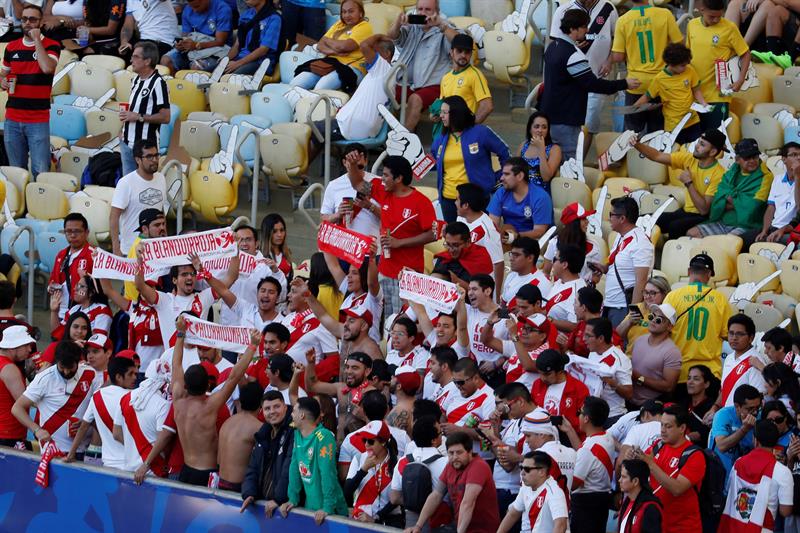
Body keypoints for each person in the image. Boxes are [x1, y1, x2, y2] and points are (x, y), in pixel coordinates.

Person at [539, 8, 638, 160]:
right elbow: (594, 85)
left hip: (549, 114)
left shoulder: (553, 47)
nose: (587, 30)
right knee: (569, 165)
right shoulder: (573, 55)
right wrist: (624, 83)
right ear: (573, 29)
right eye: (584, 27)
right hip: (565, 119)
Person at [171, 315, 259, 486]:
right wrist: (253, 346)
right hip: (206, 474)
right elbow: (234, 377)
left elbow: (176, 365)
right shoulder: (209, 406)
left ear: (185, 385)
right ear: (208, 385)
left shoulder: (178, 399)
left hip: (186, 470)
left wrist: (180, 334)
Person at [549, 0, 618, 154]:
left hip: (597, 75)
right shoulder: (563, 10)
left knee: (590, 124)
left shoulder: (608, 8)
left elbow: (618, 39)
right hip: (570, 82)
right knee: (570, 124)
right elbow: (555, 42)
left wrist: (609, 60)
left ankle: (579, 161)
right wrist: (571, 47)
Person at [631, 128, 728, 238]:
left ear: (713, 152)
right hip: (685, 211)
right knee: (644, 220)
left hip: (703, 217)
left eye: (702, 144)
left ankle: (670, 254)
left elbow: (704, 210)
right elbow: (657, 156)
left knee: (675, 227)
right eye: (698, 141)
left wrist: (689, 183)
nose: (696, 146)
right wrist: (637, 145)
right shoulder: (690, 158)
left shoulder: (719, 174)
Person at [1, 4, 59, 178]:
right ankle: (20, 206)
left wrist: (37, 41)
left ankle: (40, 204)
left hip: (37, 119)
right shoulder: (11, 47)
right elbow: (3, 73)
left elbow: (47, 68)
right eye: (24, 19)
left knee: (40, 171)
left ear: (40, 22)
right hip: (12, 118)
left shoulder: (51, 45)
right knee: (16, 172)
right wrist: (2, 81)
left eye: (32, 19)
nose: (27, 23)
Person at [374, 155, 435, 316]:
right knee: (387, 320)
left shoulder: (421, 202)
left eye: (386, 175)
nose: (382, 178)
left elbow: (434, 234)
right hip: (384, 271)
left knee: (404, 321)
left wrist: (399, 243)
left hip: (408, 275)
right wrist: (352, 164)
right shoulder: (384, 193)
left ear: (399, 178)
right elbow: (358, 184)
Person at [431, 95, 510, 221]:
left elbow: (505, 152)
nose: (441, 116)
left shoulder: (481, 132)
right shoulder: (440, 140)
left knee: (477, 238)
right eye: (441, 112)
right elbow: (434, 163)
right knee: (453, 239)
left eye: (445, 112)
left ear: (456, 113)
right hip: (449, 201)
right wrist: (414, 159)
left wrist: (499, 177)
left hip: (475, 199)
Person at [405, 431, 500, 533]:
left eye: (459, 452)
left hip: (482, 529)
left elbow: (468, 503)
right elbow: (436, 495)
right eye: (451, 453)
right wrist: (418, 526)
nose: (454, 457)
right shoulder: (451, 466)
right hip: (462, 526)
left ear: (470, 452)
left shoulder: (479, 466)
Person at [12, 341, 98, 453]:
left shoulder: (90, 374)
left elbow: (97, 408)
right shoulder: (44, 378)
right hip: (54, 450)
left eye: (71, 367)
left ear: (78, 362)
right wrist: (36, 430)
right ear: (56, 361)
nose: (66, 372)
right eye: (62, 367)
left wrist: (87, 422)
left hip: (84, 449)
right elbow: (17, 408)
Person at [386, 0, 460, 131]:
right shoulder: (412, 25)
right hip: (406, 82)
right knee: (383, 93)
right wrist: (398, 22)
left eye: (428, 9)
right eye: (420, 9)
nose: (423, 13)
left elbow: (460, 42)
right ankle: (380, 138)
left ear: (436, 12)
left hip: (433, 84)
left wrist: (441, 26)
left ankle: (405, 143)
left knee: (415, 99)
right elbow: (392, 36)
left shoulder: (444, 26)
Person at [610, 0, 682, 133]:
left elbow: (618, 57)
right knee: (658, 133)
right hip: (661, 83)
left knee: (632, 134)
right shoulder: (665, 14)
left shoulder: (623, 20)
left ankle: (632, 153)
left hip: (636, 83)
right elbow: (679, 46)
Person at [313, 34, 395, 148]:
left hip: (352, 126)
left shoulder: (383, 67)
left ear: (387, 54)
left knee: (307, 131)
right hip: (364, 129)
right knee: (319, 132)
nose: (369, 55)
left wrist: (380, 35)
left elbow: (364, 45)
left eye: (375, 51)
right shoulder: (389, 75)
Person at [635, 406, 706, 533]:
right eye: (661, 425)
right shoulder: (659, 445)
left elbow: (677, 489)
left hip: (682, 527)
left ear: (682, 428)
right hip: (657, 524)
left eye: (668, 426)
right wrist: (634, 457)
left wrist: (650, 463)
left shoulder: (695, 455)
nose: (662, 430)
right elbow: (643, 466)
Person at [664, 253, 731, 387]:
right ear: (710, 274)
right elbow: (727, 334)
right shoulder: (721, 300)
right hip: (709, 374)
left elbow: (662, 331)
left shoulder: (672, 297)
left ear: (689, 271)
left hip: (678, 371)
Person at [279, 397, 348, 525]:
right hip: (310, 508)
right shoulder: (297, 434)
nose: (291, 414)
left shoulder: (324, 437)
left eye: (294, 411)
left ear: (302, 415)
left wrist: (327, 507)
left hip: (331, 510)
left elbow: (328, 473)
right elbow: (294, 468)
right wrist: (292, 499)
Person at [687, 138, 774, 238]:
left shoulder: (766, 176)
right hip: (724, 221)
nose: (752, 161)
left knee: (726, 243)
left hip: (748, 225)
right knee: (691, 234)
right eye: (747, 158)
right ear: (737, 159)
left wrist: (731, 201)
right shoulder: (732, 172)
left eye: (755, 157)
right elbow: (718, 197)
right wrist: (738, 201)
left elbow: (753, 206)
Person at [589, 196, 654, 327]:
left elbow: (641, 281)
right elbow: (617, 264)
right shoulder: (621, 236)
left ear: (622, 218)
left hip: (623, 307)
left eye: (611, 214)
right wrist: (604, 268)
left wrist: (632, 315)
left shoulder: (640, 243)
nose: (608, 219)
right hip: (610, 304)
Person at [686, 0, 751, 130]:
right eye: (712, 16)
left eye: (719, 16)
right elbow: (687, 55)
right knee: (695, 143)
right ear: (701, 9)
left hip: (718, 95)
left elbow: (745, 54)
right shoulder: (692, 25)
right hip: (693, 95)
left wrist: (740, 79)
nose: (716, 20)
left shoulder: (729, 28)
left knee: (714, 140)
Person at [719, 420, 794, 531]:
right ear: (776, 441)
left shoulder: (738, 462)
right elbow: (785, 511)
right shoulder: (782, 471)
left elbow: (730, 491)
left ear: (755, 441)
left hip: (733, 527)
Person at [65, 357, 137, 466]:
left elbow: (83, 426)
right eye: (131, 374)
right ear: (118, 377)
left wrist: (71, 454)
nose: (135, 377)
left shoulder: (97, 396)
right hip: (133, 462)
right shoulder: (134, 396)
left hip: (108, 463)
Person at [632, 43, 707, 144]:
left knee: (695, 153)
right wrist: (634, 108)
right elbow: (647, 97)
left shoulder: (690, 70)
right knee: (676, 155)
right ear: (672, 64)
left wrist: (703, 103)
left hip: (693, 121)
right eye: (682, 65)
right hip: (673, 126)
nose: (685, 67)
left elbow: (696, 90)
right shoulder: (659, 79)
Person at [290, 0, 372, 92]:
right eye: (344, 12)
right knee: (295, 84)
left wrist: (328, 41)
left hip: (352, 68)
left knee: (320, 88)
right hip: (331, 63)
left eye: (351, 11)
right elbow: (320, 45)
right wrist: (335, 51)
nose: (346, 15)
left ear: (360, 12)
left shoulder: (364, 26)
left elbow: (345, 47)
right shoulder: (339, 24)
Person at [118, 42, 171, 178]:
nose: (131, 60)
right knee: (128, 186)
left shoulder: (159, 83)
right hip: (127, 143)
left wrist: (138, 117)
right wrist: (122, 131)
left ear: (147, 61)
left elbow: (165, 117)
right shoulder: (136, 80)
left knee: (145, 186)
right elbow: (133, 109)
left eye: (136, 57)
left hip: (146, 148)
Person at [390, 416, 449, 533]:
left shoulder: (403, 462)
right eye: (440, 433)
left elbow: (394, 498)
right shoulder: (445, 463)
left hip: (410, 523)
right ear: (433, 440)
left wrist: (414, 500)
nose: (442, 435)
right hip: (439, 521)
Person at [490, 383, 538, 526]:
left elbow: (509, 464)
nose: (507, 410)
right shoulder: (516, 421)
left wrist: (492, 438)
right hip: (511, 488)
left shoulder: (538, 419)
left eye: (508, 405)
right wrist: (495, 428)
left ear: (520, 401)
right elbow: (504, 455)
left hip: (516, 489)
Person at [240, 391, 294, 516]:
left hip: (285, 509)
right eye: (267, 408)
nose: (272, 411)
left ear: (285, 407)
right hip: (264, 505)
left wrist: (278, 499)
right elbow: (252, 468)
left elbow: (289, 468)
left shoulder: (294, 432)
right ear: (262, 412)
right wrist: (249, 493)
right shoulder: (262, 434)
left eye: (277, 406)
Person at [114, 358, 172, 475]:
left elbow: (116, 434)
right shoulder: (163, 405)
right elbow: (164, 441)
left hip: (129, 468)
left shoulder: (126, 398)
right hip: (152, 470)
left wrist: (134, 448)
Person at [111, 140, 168, 256]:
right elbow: (114, 217)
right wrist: (116, 248)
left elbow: (161, 211)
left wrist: (164, 239)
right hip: (131, 250)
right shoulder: (126, 183)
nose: (155, 160)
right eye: (149, 157)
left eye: (156, 155)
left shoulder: (161, 178)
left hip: (155, 250)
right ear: (138, 160)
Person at [304, 351, 374, 443]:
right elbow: (312, 386)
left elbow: (381, 427)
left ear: (367, 371)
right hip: (339, 447)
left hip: (360, 449)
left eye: (355, 368)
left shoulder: (373, 394)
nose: (349, 371)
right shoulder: (341, 388)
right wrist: (310, 364)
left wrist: (365, 418)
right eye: (347, 367)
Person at [570, 396, 616, 533]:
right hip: (601, 499)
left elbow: (574, 483)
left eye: (580, 412)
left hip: (586, 504)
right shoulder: (606, 437)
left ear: (586, 419)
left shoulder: (588, 448)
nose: (578, 415)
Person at [343, 420, 402, 526]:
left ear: (383, 442)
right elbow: (347, 491)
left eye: (370, 441)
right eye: (364, 440)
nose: (366, 445)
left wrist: (376, 518)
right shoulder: (359, 458)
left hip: (389, 522)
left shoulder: (398, 462)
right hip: (361, 520)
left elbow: (397, 498)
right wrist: (363, 470)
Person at [743, 141, 800, 248]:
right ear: (783, 159)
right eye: (794, 155)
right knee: (739, 241)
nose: (798, 158)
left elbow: (799, 210)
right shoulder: (778, 179)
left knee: (768, 245)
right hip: (773, 227)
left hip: (791, 229)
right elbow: (771, 208)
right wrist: (764, 230)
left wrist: (797, 177)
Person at [320, 145, 382, 239]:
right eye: (351, 163)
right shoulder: (334, 185)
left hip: (373, 247)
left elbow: (391, 217)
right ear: (344, 162)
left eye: (358, 164)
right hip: (345, 247)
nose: (354, 168)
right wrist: (338, 215)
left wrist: (370, 206)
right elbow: (324, 218)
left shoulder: (379, 183)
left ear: (365, 161)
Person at [498, 451, 569, 533]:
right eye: (521, 468)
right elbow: (513, 514)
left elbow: (561, 524)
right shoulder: (526, 487)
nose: (522, 473)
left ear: (541, 472)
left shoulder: (554, 492)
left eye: (527, 469)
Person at [488, 157, 554, 240]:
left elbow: (539, 232)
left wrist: (517, 236)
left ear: (520, 176)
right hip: (507, 238)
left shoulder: (540, 197)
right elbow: (492, 225)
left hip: (531, 242)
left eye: (507, 174)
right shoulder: (501, 192)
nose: (501, 178)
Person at [160, 0, 232, 74]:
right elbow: (186, 36)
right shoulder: (188, 10)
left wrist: (197, 45)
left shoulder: (222, 8)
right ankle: (175, 84)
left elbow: (220, 41)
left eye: (197, 6)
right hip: (193, 48)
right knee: (166, 60)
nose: (194, 10)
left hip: (217, 50)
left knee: (196, 67)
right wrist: (181, 44)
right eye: (191, 6)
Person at [630, 303, 681, 406]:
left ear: (669, 327)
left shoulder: (672, 352)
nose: (653, 320)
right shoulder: (639, 340)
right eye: (652, 316)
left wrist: (639, 378)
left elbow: (669, 386)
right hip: (629, 400)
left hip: (650, 407)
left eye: (659, 319)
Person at [455, 182, 505, 289]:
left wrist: (496, 293)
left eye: (457, 199)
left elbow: (498, 263)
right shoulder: (461, 218)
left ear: (466, 205)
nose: (454, 203)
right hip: (464, 269)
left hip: (482, 282)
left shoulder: (488, 230)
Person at [47, 213, 95, 321]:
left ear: (87, 232)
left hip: (83, 316)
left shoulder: (94, 255)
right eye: (68, 231)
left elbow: (100, 288)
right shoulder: (61, 254)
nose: (72, 235)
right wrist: (51, 287)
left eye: (77, 231)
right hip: (59, 314)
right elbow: (53, 280)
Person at [586, 317, 633, 423]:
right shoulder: (592, 352)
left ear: (601, 338)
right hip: (594, 414)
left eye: (588, 336)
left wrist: (610, 382)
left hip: (613, 417)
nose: (584, 339)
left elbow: (629, 393)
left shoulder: (620, 359)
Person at [217, 382, 263, 492]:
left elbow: (219, 460)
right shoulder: (258, 427)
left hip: (220, 482)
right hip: (239, 486)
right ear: (261, 402)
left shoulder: (227, 422)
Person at [438, 33, 493, 124]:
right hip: (449, 132)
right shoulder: (446, 77)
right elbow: (442, 106)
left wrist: (470, 127)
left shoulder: (475, 75)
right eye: (459, 51)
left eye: (467, 52)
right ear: (452, 52)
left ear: (471, 54)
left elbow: (487, 106)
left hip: (463, 134)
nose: (463, 55)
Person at [532, 350, 590, 434]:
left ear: (560, 371)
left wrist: (561, 421)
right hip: (541, 436)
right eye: (540, 373)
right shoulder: (538, 384)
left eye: (547, 374)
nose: (542, 378)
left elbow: (585, 422)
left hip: (568, 438)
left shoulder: (579, 389)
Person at [542, 202, 602, 283]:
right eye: (583, 219)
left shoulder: (594, 247)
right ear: (574, 223)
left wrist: (593, 282)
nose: (587, 221)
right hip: (558, 291)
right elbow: (546, 272)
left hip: (582, 292)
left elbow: (596, 277)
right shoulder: (554, 243)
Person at [710, 384, 761, 475]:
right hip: (721, 475)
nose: (755, 412)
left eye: (757, 407)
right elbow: (722, 446)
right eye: (750, 409)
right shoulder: (723, 415)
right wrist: (744, 429)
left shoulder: (760, 417)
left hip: (745, 477)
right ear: (737, 406)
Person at [718, 314, 768, 407]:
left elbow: (759, 397)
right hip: (727, 416)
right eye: (731, 333)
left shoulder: (755, 361)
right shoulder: (729, 358)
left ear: (751, 338)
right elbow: (725, 389)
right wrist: (715, 407)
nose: (734, 337)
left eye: (740, 334)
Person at [224, 0, 281, 76]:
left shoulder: (274, 18)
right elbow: (237, 45)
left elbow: (263, 50)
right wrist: (225, 60)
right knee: (213, 71)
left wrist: (238, 63)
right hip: (241, 58)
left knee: (230, 78)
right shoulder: (245, 15)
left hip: (261, 62)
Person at [0, 326, 35, 448]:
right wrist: (42, 378)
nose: (30, 349)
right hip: (9, 434)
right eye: (26, 345)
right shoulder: (9, 368)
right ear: (13, 347)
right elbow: (24, 401)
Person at [616, 275, 670, 353]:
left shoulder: (668, 312)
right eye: (645, 292)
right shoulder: (639, 307)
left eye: (652, 293)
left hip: (654, 360)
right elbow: (617, 335)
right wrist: (629, 322)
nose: (647, 296)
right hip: (630, 357)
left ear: (664, 294)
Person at [50, 274, 112, 339]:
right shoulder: (74, 309)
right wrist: (54, 311)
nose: (75, 289)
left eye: (81, 286)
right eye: (77, 285)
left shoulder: (102, 310)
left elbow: (97, 340)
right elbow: (57, 334)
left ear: (91, 292)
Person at [564, 287, 622, 356]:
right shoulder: (580, 325)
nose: (573, 305)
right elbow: (567, 347)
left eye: (575, 302)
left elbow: (614, 358)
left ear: (583, 307)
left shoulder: (608, 332)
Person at [547, 243, 588, 333]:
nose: (551, 262)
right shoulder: (560, 281)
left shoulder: (577, 291)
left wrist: (548, 319)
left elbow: (576, 326)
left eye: (554, 259)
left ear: (564, 265)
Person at [501, 236, 551, 309]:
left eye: (516, 255)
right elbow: (503, 304)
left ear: (530, 258)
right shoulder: (511, 275)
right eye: (511, 254)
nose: (511, 259)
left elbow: (541, 315)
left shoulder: (543, 284)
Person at [518, 112, 562, 193]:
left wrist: (541, 149)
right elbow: (515, 170)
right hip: (521, 190)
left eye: (544, 127)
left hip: (541, 192)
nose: (540, 130)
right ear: (530, 129)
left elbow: (546, 177)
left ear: (548, 130)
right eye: (536, 126)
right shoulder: (523, 145)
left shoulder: (555, 149)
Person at [618, 459, 663, 533]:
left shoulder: (650, 508)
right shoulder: (627, 501)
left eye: (624, 477)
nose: (619, 480)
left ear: (635, 481)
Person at [679, 364, 720, 446]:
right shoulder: (683, 403)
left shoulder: (711, 408)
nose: (690, 382)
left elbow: (700, 435)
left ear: (706, 384)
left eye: (696, 379)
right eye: (689, 378)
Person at [260, 213, 292, 279]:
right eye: (274, 231)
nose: (279, 234)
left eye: (282, 230)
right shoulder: (259, 255)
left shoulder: (287, 253)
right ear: (267, 233)